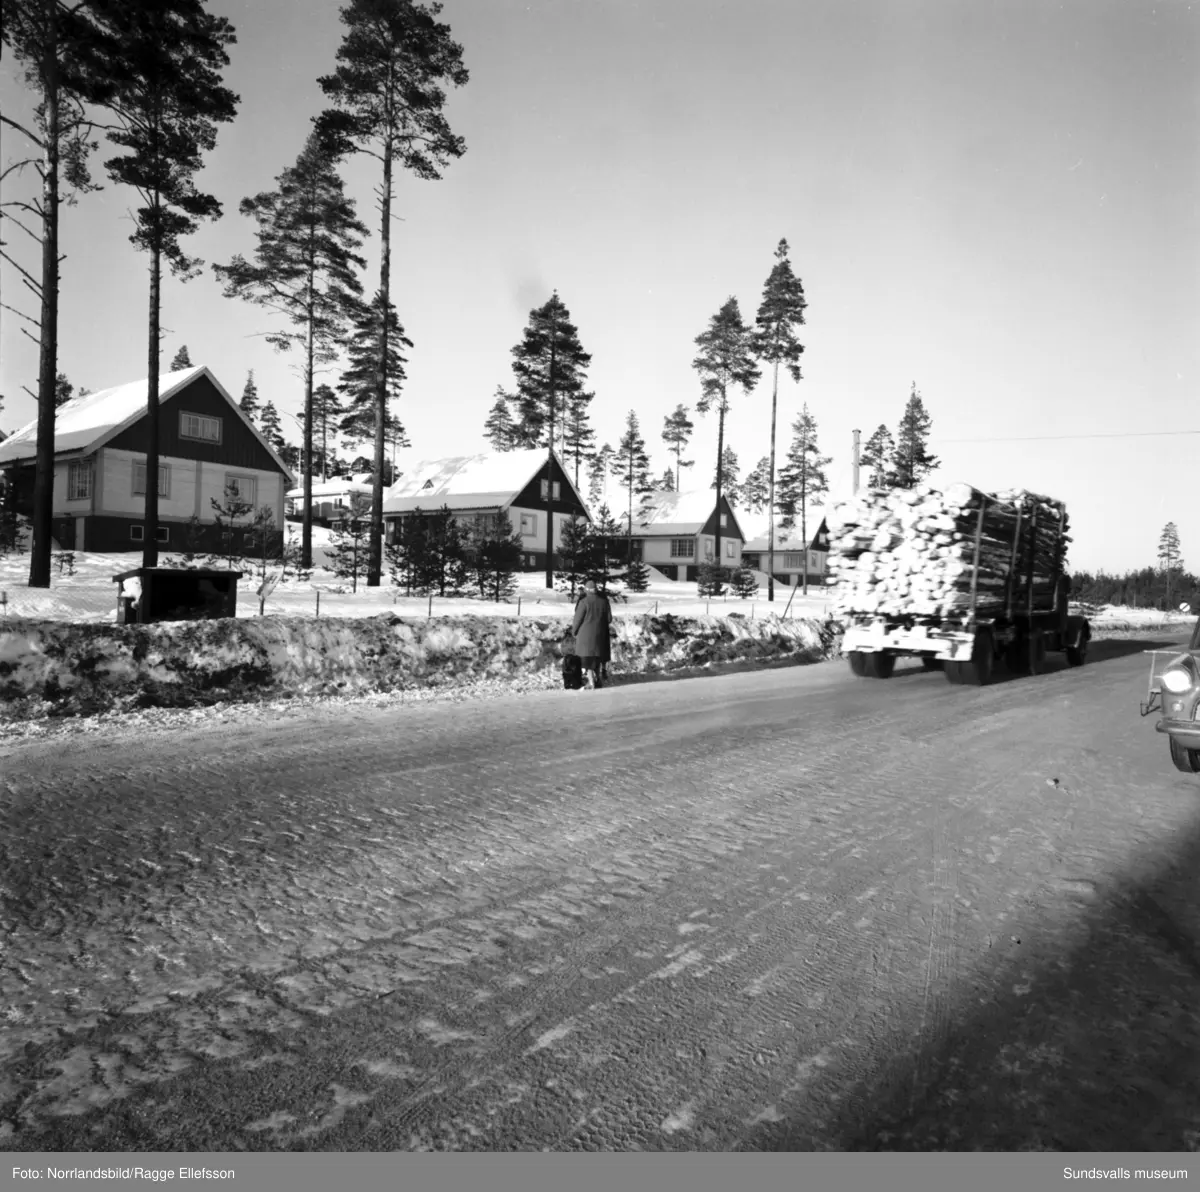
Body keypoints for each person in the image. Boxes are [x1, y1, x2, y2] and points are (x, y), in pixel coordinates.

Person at [571, 579, 612, 690]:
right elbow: (609, 619)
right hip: (599, 635)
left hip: (585, 636)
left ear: (586, 590)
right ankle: (597, 679)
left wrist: (574, 631)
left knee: (587, 660)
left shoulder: (584, 602)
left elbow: (577, 620)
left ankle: (590, 682)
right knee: (596, 659)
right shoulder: (603, 602)